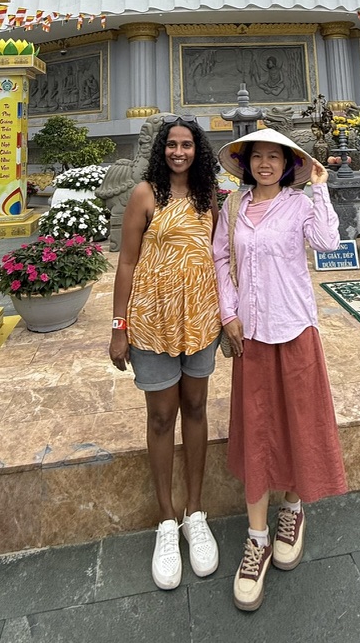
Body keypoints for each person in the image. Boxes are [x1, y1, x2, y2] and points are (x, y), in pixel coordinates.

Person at [213, 128, 347, 612]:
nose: (265, 164)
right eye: (257, 157)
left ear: (288, 164)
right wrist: (229, 314)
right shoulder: (232, 208)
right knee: (256, 427)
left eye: (275, 157)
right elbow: (221, 259)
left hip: (294, 328)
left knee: (297, 420)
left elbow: (329, 243)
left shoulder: (299, 205)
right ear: (245, 163)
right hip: (250, 334)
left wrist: (320, 186)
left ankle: (293, 508)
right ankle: (256, 536)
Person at [109, 116, 221, 590]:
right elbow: (127, 261)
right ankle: (166, 520)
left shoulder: (209, 196)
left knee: (195, 407)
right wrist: (119, 327)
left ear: (199, 151)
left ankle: (196, 512)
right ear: (162, 149)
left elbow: (217, 256)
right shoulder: (144, 195)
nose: (179, 152)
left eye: (187, 145)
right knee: (161, 417)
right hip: (152, 321)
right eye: (172, 145)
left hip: (199, 319)